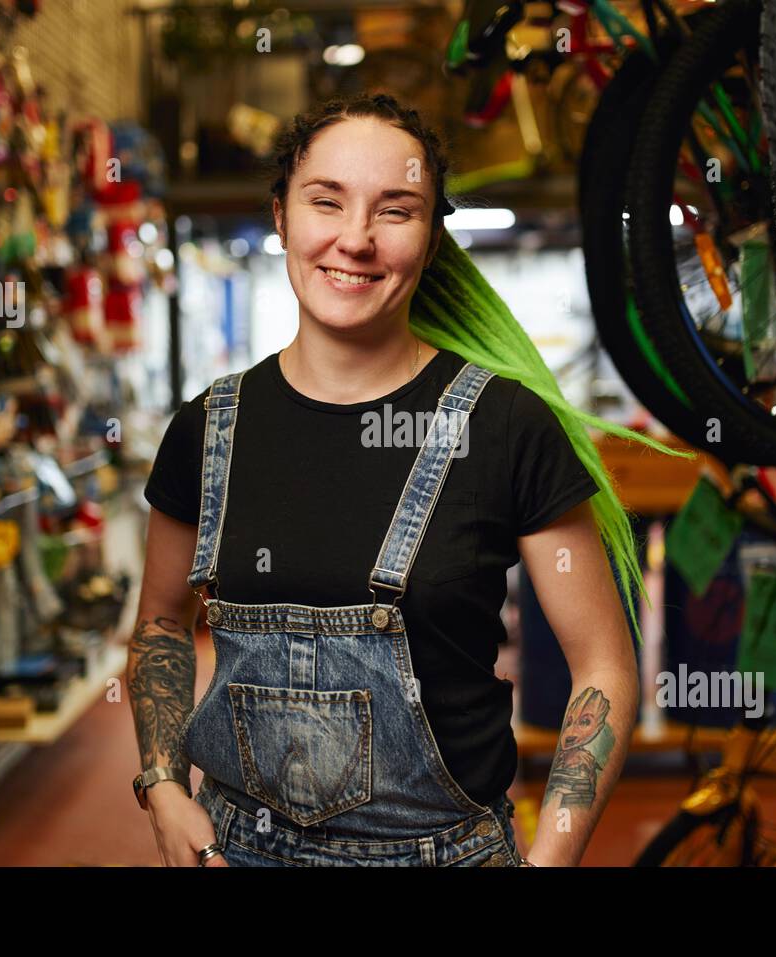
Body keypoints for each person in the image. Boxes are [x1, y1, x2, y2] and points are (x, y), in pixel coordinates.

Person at [126, 92, 674, 867]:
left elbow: (604, 667)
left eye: (397, 209)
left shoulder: (505, 427)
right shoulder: (208, 429)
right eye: (326, 201)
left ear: (431, 236)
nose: (354, 239)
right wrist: (162, 784)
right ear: (281, 214)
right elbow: (159, 626)